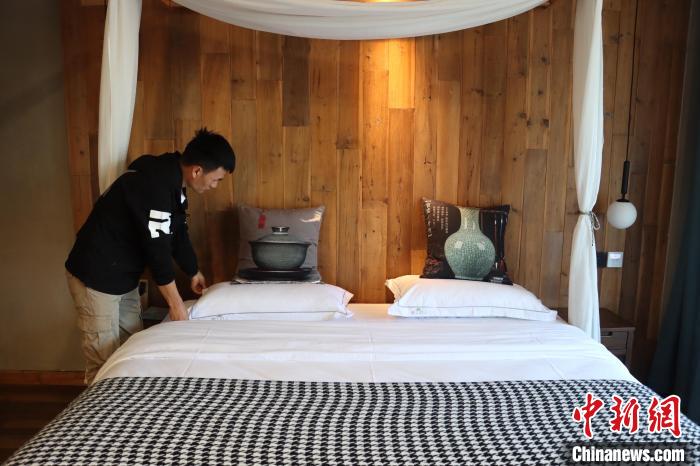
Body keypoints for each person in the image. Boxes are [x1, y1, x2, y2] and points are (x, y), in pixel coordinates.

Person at [65, 128, 235, 383]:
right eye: (216, 179)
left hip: (124, 276)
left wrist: (192, 271)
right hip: (96, 276)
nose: (215, 186)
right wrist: (175, 304)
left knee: (131, 351)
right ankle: (102, 406)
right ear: (197, 171)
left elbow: (177, 232)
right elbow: (158, 251)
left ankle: (128, 404)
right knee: (104, 364)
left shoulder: (175, 184)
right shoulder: (154, 184)